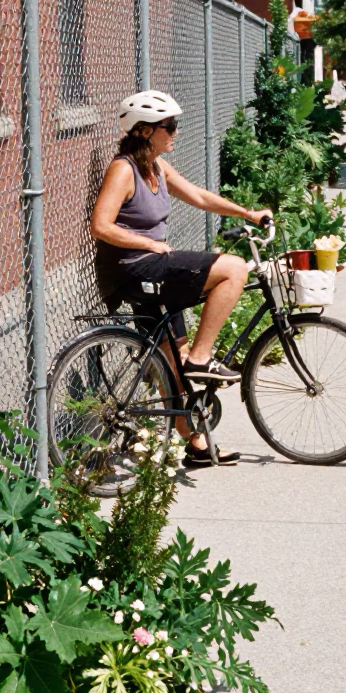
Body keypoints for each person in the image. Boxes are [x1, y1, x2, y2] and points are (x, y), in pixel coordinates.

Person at [90, 90, 272, 466]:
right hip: (136, 269)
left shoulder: (156, 166)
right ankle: (202, 358)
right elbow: (101, 226)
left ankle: (196, 445)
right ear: (143, 132)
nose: (175, 133)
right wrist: (147, 244)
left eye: (176, 126)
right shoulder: (123, 169)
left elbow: (200, 197)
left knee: (173, 359)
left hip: (153, 267)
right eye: (169, 127)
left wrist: (249, 214)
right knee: (233, 268)